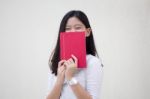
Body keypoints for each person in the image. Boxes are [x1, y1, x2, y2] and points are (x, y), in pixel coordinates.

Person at [46, 10, 103, 99]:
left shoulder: (93, 62)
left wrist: (70, 77)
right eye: (67, 28)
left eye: (78, 27)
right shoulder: (57, 62)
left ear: (87, 32)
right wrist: (59, 81)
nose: (72, 31)